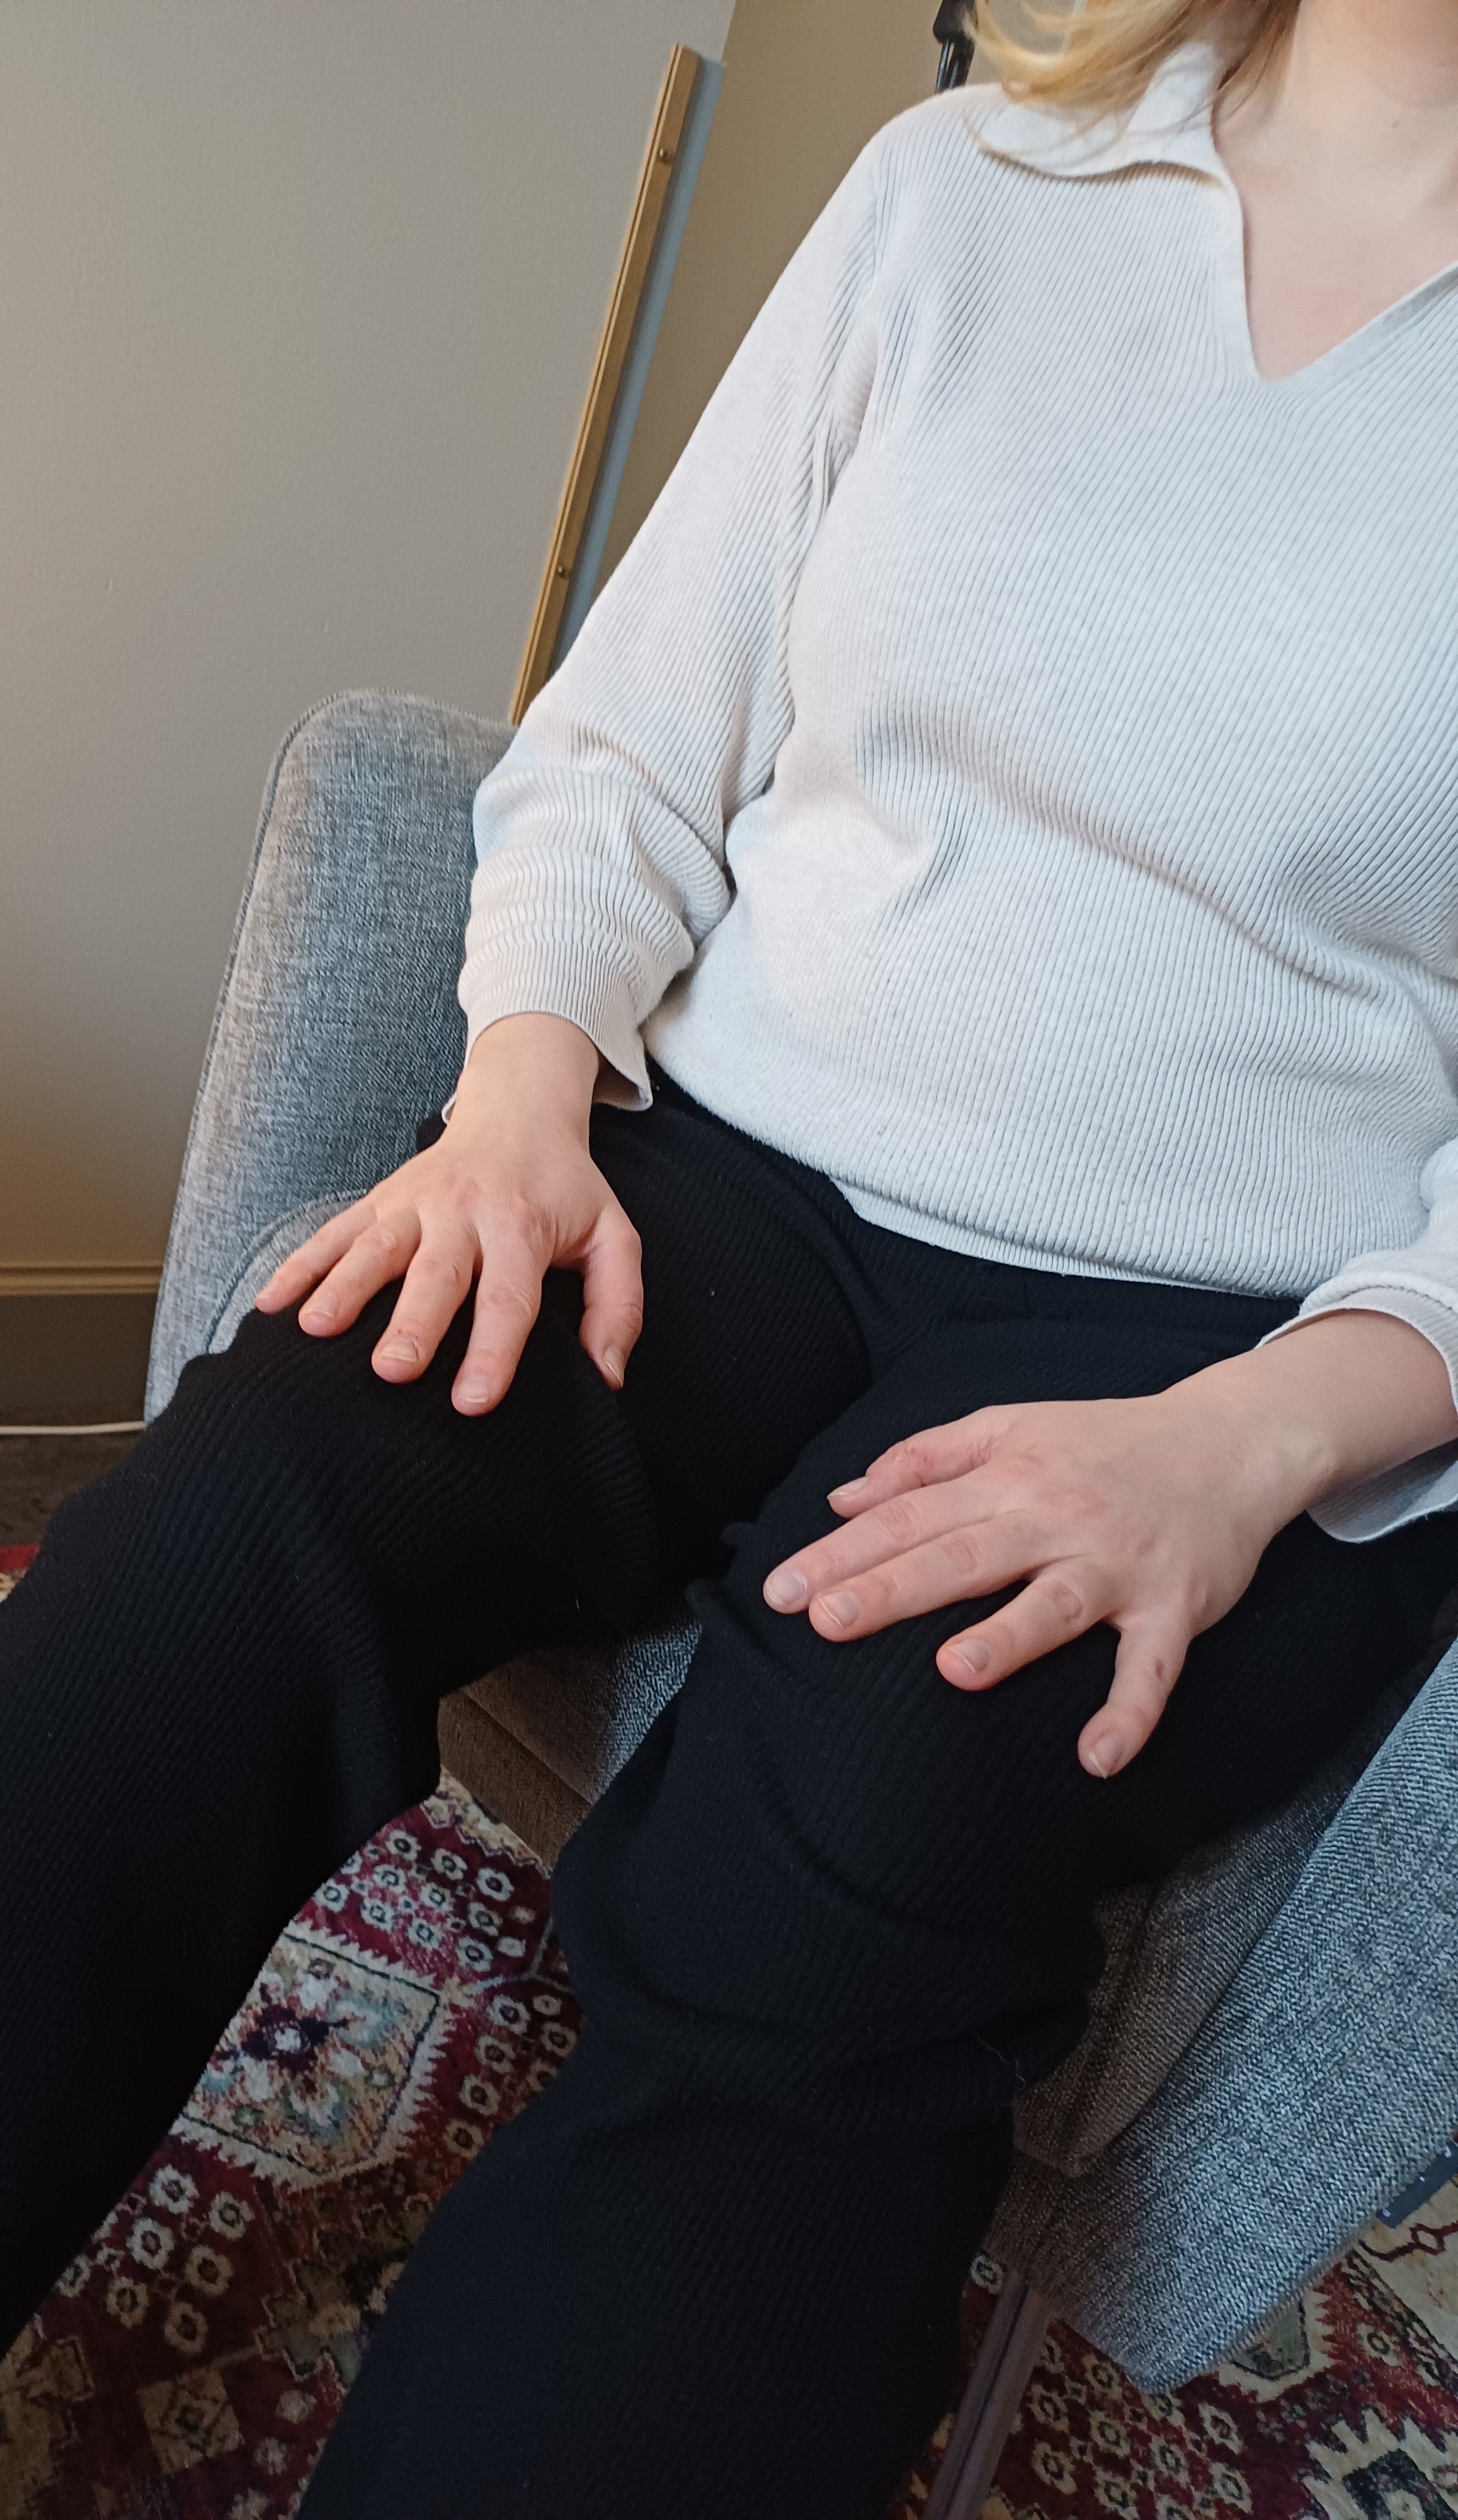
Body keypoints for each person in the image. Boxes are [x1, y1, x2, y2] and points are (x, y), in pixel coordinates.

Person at [4, 0, 1457, 2506]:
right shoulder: (960, 194)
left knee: (863, 1797)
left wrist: (1252, 1443)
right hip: (721, 1163)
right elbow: (628, 732)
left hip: (1228, 1341)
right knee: (242, 1514)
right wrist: (517, 1094)